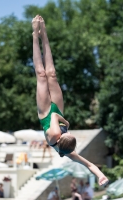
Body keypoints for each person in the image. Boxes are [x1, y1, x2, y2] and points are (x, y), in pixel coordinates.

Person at [32, 15, 108, 186]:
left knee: (41, 75)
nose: (67, 131)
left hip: (47, 113)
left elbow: (54, 118)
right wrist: (100, 175)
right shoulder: (69, 150)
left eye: (66, 133)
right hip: (58, 108)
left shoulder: (53, 135)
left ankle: (35, 36)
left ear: (59, 138)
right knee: (52, 74)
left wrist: (66, 122)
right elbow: (88, 164)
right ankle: (44, 33)